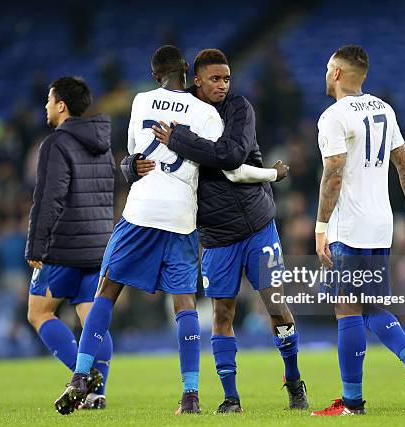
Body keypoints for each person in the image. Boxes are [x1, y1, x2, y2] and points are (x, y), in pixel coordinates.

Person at [54, 45, 280, 416]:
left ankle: (80, 375)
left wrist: (131, 166)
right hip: (181, 216)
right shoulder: (207, 113)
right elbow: (223, 159)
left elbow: (133, 153)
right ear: (188, 72)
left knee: (107, 290)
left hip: (141, 209)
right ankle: (190, 395)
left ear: (154, 73)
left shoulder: (141, 101)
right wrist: (273, 173)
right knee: (185, 305)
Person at [148, 48, 308, 413]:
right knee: (222, 314)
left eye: (227, 78)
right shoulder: (182, 112)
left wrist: (179, 141)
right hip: (216, 235)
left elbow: (232, 155)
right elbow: (158, 150)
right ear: (197, 80)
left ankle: (294, 379)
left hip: (257, 226)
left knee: (276, 306)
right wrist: (133, 164)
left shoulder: (239, 109)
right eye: (215, 79)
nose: (223, 85)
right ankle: (230, 397)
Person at [310, 45, 405, 416]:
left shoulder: (333, 117)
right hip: (381, 224)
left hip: (348, 225)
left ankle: (352, 403)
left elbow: (333, 174)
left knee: (346, 310)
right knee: (374, 307)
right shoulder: (384, 108)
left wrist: (320, 228)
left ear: (335, 73)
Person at [25, 76, 114, 411]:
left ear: (61, 105)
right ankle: (95, 394)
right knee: (93, 319)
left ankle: (85, 375)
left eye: (49, 100)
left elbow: (49, 199)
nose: (46, 106)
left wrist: (36, 244)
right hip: (99, 244)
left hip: (63, 247)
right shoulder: (103, 144)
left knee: (38, 312)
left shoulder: (55, 143)